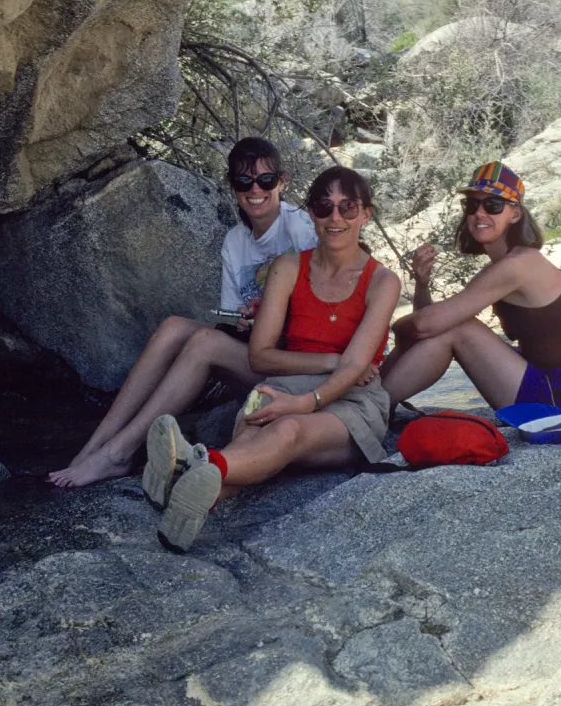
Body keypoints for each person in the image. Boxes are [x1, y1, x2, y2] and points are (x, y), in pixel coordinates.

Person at [142, 167, 400, 552]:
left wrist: (303, 402)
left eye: (348, 207)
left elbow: (354, 368)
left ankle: (191, 467)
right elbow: (260, 356)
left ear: (366, 214)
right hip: (283, 384)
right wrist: (320, 369)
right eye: (323, 206)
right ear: (310, 213)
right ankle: (191, 498)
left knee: (287, 431)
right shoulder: (289, 267)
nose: (335, 218)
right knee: (251, 436)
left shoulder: (383, 282)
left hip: (351, 402)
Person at [48, 138, 317, 488]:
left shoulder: (300, 229)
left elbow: (323, 305)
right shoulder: (236, 241)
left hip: (294, 370)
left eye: (265, 181)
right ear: (232, 186)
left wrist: (271, 315)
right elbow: (233, 319)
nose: (255, 190)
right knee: (174, 327)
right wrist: (245, 319)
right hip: (257, 357)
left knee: (206, 342)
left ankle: (120, 453)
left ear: (281, 182)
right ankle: (94, 448)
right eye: (243, 182)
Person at [380, 161, 561, 413]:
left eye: (493, 205)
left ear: (515, 214)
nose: (480, 213)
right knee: (452, 325)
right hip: (545, 379)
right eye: (473, 205)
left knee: (460, 327)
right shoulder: (498, 267)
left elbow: (425, 325)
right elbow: (431, 329)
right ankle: (373, 402)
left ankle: (372, 407)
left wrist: (398, 329)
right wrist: (422, 284)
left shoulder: (521, 264)